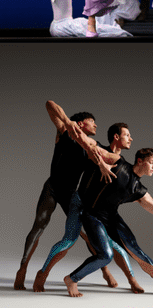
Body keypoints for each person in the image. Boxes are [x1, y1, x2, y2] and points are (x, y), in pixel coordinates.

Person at [65, 123, 153, 299]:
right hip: (92, 215)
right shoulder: (118, 163)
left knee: (136, 251)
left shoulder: (139, 190)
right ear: (140, 160)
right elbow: (93, 147)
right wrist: (75, 132)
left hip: (112, 218)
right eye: (152, 162)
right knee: (105, 255)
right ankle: (72, 279)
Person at [14, 104, 117, 291]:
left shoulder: (92, 145)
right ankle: (22, 269)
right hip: (52, 188)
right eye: (92, 122)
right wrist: (69, 124)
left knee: (87, 234)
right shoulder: (64, 131)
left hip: (70, 194)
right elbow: (49, 104)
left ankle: (105, 271)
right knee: (39, 226)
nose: (96, 125)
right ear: (80, 123)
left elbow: (110, 157)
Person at [33, 122, 141, 293]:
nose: (131, 138)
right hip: (80, 202)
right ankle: (42, 274)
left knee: (115, 246)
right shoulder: (97, 149)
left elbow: (125, 192)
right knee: (69, 240)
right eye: (127, 135)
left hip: (99, 211)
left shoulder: (124, 164)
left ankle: (132, 280)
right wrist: (101, 164)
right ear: (116, 137)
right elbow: (87, 147)